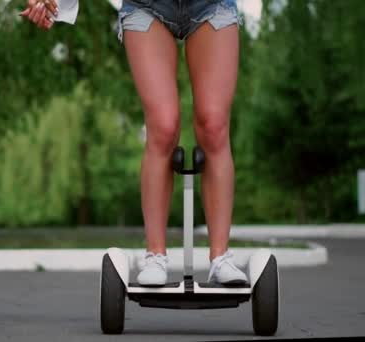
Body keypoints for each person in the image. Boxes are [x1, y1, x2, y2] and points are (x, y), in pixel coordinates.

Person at [22, 0, 248, 285]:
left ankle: (220, 257)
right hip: (146, 6)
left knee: (214, 125)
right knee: (164, 126)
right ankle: (155, 255)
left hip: (211, 5)